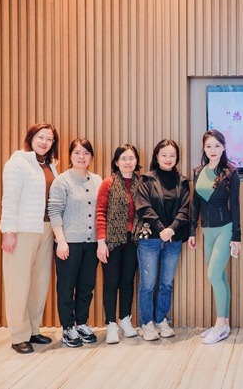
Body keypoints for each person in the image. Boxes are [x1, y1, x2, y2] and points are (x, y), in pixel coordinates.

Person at [0, 123, 60, 354]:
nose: (44, 142)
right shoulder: (18, 163)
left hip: (46, 229)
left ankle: (33, 329)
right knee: (18, 284)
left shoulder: (50, 166)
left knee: (39, 283)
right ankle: (19, 335)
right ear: (31, 138)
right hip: (23, 230)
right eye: (40, 137)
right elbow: (10, 199)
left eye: (49, 139)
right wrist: (9, 232)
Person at [48, 138, 103, 348]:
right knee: (66, 287)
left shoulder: (97, 180)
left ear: (91, 156)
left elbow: (101, 211)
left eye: (86, 153)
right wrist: (61, 241)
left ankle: (82, 323)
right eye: (77, 153)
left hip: (92, 243)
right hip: (69, 243)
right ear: (70, 155)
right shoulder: (62, 181)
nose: (82, 157)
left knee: (87, 286)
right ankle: (67, 328)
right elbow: (54, 212)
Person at [189, 130, 242, 345]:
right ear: (204, 148)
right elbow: (195, 204)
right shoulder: (198, 171)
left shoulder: (230, 173)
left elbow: (235, 206)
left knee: (212, 275)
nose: (213, 150)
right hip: (206, 231)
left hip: (224, 229)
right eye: (209, 146)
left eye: (217, 146)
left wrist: (236, 236)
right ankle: (225, 324)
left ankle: (219, 325)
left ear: (224, 147)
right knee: (220, 276)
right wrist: (192, 231)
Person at [135, 139, 190, 341]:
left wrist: (172, 229)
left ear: (177, 158)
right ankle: (146, 323)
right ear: (156, 156)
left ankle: (161, 320)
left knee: (166, 283)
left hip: (173, 240)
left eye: (172, 155)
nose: (168, 159)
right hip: (150, 239)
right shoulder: (147, 179)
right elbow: (143, 207)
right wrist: (161, 229)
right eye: (164, 155)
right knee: (147, 284)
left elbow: (185, 209)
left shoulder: (182, 182)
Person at [96, 144, 142, 344]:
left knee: (127, 281)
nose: (128, 162)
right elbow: (100, 213)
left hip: (134, 239)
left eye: (131, 158)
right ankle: (111, 325)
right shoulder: (108, 183)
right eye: (123, 158)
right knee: (110, 282)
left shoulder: (142, 183)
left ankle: (124, 320)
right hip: (112, 241)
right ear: (116, 162)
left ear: (136, 161)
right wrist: (101, 241)